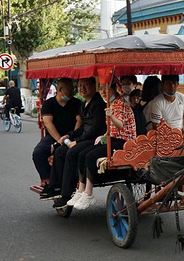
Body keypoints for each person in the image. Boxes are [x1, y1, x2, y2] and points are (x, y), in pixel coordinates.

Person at [66, 82, 137, 210]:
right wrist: (103, 136)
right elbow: (111, 129)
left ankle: (89, 193)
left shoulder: (120, 103)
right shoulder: (111, 104)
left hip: (124, 141)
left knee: (91, 156)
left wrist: (111, 116)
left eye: (106, 89)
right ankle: (81, 190)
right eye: (101, 88)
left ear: (114, 89)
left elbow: (119, 125)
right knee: (82, 154)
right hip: (113, 138)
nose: (103, 91)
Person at [43, 77, 107, 209]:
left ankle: (67, 194)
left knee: (72, 153)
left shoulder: (98, 104)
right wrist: (70, 135)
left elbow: (94, 129)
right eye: (79, 86)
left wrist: (76, 141)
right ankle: (56, 187)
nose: (82, 88)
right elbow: (84, 127)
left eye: (85, 85)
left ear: (94, 87)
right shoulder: (84, 104)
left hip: (94, 138)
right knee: (60, 151)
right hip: (85, 136)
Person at [34, 79, 82, 193]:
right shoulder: (49, 104)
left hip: (72, 135)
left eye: (73, 89)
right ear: (60, 90)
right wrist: (59, 139)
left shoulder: (77, 103)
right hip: (54, 136)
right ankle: (47, 181)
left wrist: (72, 136)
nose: (72, 92)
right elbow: (48, 123)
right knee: (38, 153)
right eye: (70, 89)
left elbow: (79, 120)